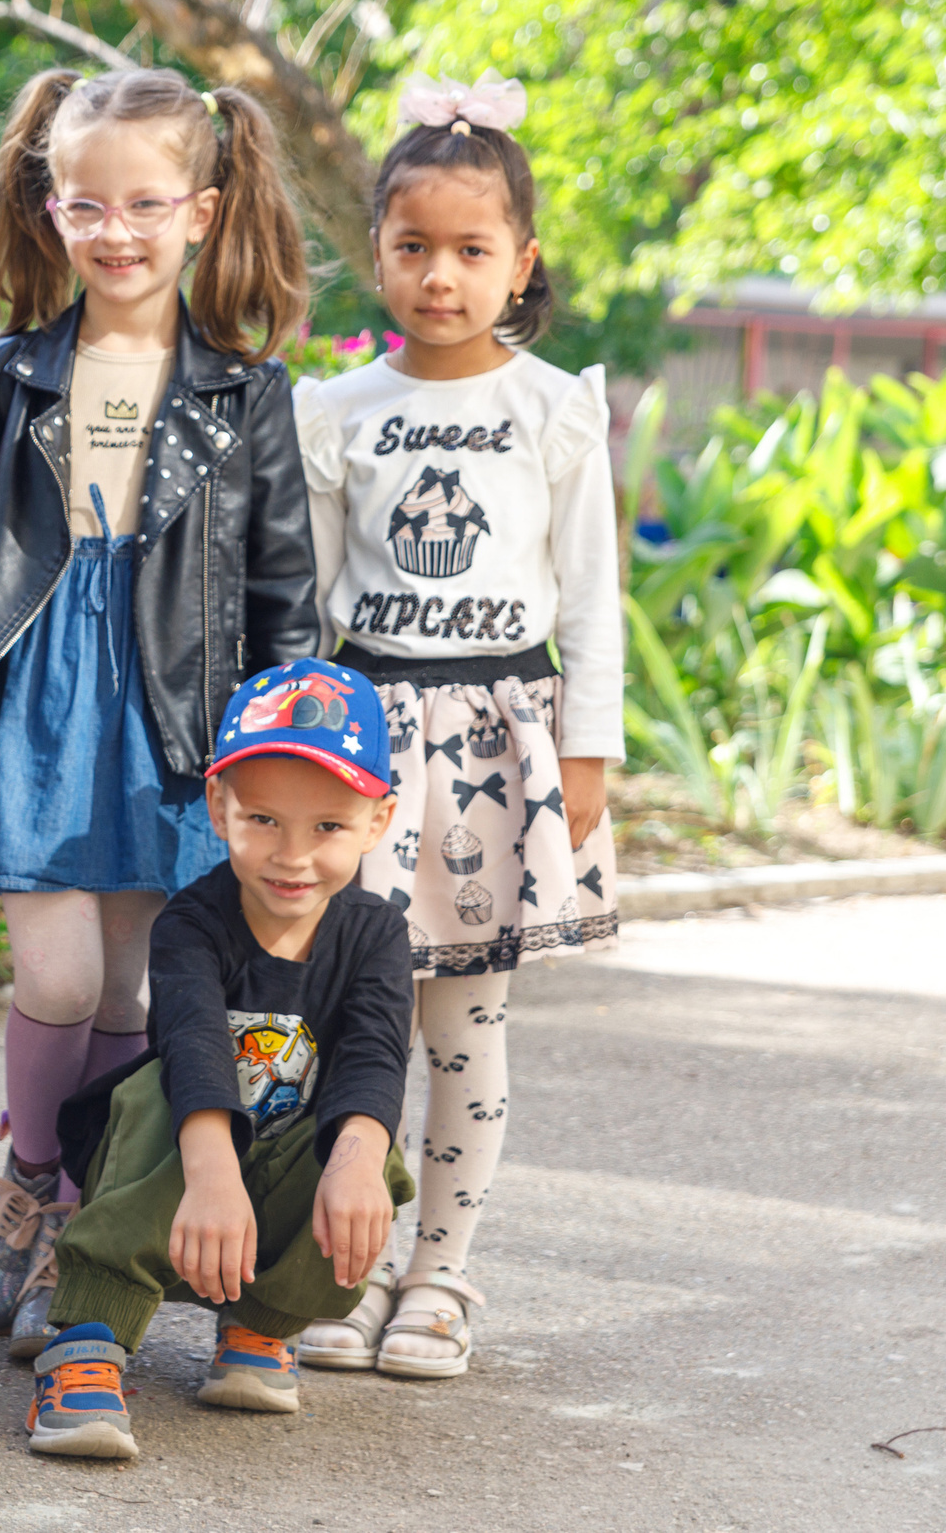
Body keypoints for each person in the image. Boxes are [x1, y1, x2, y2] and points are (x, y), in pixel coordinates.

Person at [0, 67, 323, 1360]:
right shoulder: (7, 377)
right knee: (61, 971)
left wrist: (275, 761)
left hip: (174, 716)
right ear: (50, 206)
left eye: (146, 204)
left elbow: (283, 589)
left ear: (199, 209)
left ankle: (81, 1218)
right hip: (31, 704)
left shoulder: (247, 394)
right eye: (89, 204)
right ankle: (30, 1172)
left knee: (135, 978)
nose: (118, 230)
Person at [288, 71, 623, 1381]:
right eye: (414, 247)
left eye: (472, 250)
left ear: (520, 262)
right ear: (375, 250)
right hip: (363, 744)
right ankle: (342, 1266)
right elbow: (311, 610)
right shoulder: (338, 412)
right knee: (350, 1010)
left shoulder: (553, 410)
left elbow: (594, 593)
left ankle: (442, 1272)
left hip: (502, 749)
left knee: (464, 1025)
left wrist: (585, 749)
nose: (440, 275)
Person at [25, 659, 416, 1461]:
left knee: (369, 1149)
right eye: (263, 819)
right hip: (180, 1161)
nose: (293, 854)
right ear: (218, 804)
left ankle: (262, 1324)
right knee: (155, 1099)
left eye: (329, 827)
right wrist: (210, 1175)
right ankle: (88, 1340)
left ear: (378, 821)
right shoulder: (192, 922)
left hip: (274, 1172)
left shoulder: (376, 933)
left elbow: (376, 1055)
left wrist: (356, 1160)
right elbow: (195, 1046)